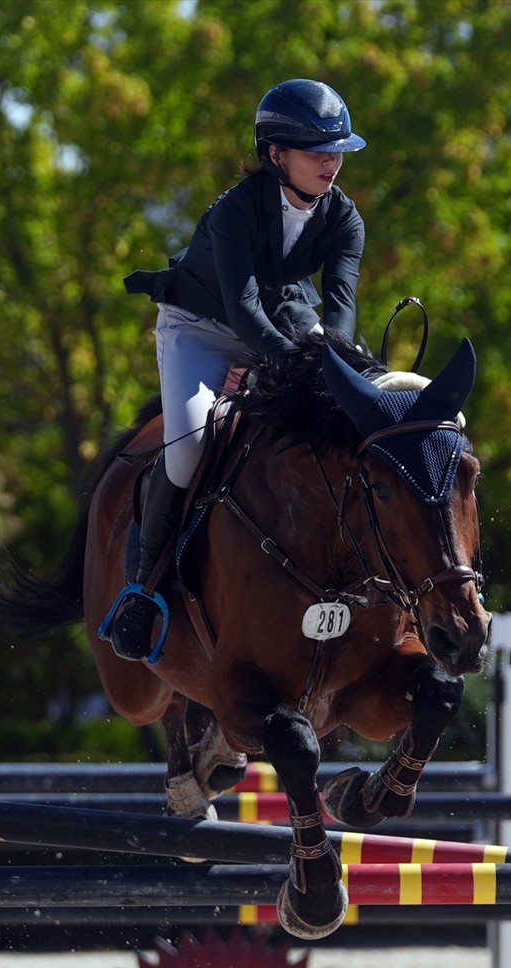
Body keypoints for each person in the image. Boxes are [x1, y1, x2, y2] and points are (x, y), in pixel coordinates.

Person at [108, 78, 367, 661]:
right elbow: (243, 315)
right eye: (316, 150)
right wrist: (294, 368)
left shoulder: (345, 219)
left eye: (339, 149)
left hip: (283, 319)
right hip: (202, 326)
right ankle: (141, 590)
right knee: (192, 443)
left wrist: (334, 369)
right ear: (276, 155)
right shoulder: (233, 213)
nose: (332, 161)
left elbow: (342, 314)